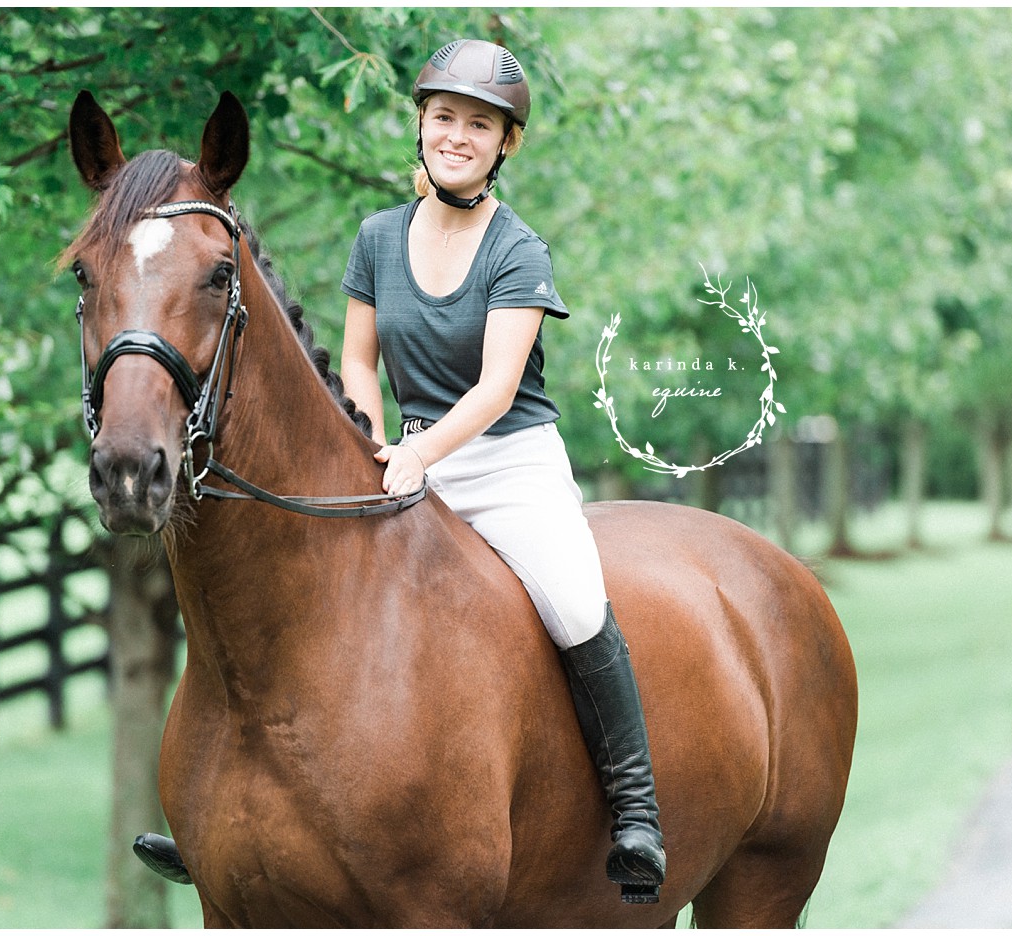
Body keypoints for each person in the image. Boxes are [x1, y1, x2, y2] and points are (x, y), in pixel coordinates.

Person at [135, 38, 666, 905]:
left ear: (505, 145)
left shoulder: (517, 251)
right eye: (445, 117)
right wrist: (368, 439)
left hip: (507, 463)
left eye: (480, 125)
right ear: (420, 126)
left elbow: (497, 389)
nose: (459, 135)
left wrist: (418, 452)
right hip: (402, 456)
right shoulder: (379, 236)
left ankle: (634, 808)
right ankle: (224, 805)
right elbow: (354, 358)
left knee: (574, 601)